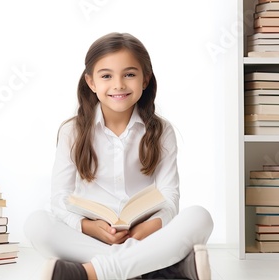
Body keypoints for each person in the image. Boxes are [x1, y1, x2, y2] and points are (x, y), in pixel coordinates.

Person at [24, 32, 214, 280]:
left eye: (129, 74)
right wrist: (88, 227)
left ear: (145, 80)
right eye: (106, 76)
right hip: (92, 235)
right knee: (37, 224)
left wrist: (147, 228)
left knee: (200, 217)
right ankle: (158, 268)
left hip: (145, 234)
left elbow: (170, 197)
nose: (119, 85)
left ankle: (90, 273)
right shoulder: (72, 131)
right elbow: (59, 197)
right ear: (91, 82)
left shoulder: (161, 131)